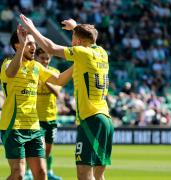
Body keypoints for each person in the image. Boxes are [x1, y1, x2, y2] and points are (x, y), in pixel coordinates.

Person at [20, 14, 114, 180]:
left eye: (73, 38)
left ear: (78, 42)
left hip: (90, 118)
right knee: (99, 176)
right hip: (105, 119)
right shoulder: (102, 53)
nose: (71, 41)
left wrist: (32, 29)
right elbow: (89, 38)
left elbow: (50, 48)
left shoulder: (81, 53)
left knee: (84, 174)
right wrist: (76, 27)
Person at [0, 25, 72, 180]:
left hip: (34, 127)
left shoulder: (36, 67)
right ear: (17, 45)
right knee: (18, 174)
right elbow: (11, 73)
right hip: (13, 127)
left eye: (34, 44)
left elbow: (58, 80)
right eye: (29, 43)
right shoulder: (7, 63)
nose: (34, 47)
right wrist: (21, 49)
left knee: (41, 173)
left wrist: (78, 64)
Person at [24, 48, 62, 180]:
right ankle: (29, 172)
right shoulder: (32, 72)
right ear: (37, 59)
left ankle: (48, 171)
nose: (45, 61)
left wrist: (45, 79)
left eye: (48, 58)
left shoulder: (55, 73)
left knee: (47, 150)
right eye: (42, 58)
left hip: (51, 117)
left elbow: (57, 93)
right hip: (35, 118)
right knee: (36, 148)